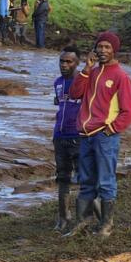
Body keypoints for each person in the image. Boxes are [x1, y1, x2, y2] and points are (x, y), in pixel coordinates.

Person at [66, 32, 131, 238]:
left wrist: (111, 129)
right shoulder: (93, 72)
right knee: (86, 180)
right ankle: (83, 223)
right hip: (86, 135)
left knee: (105, 181)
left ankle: (106, 226)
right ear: (95, 49)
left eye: (107, 47)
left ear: (114, 49)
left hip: (105, 136)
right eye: (100, 47)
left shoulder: (120, 76)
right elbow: (75, 93)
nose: (103, 50)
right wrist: (86, 69)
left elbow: (129, 111)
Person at [53, 50, 82, 232]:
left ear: (76, 63)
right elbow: (59, 103)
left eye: (69, 62)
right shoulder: (57, 83)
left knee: (83, 180)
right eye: (62, 61)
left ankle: (83, 219)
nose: (64, 65)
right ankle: (63, 218)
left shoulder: (84, 83)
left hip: (79, 137)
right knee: (62, 178)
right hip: (59, 137)